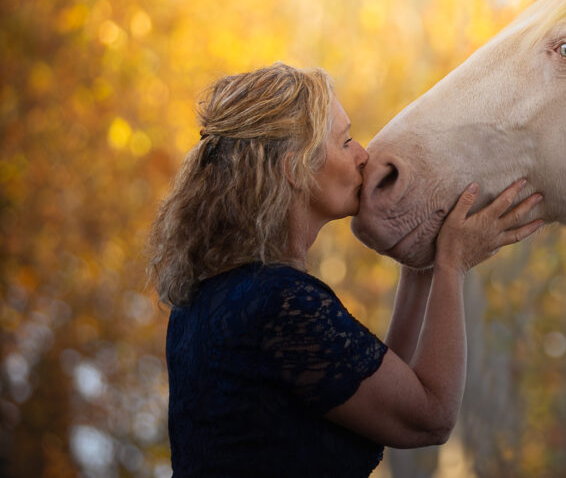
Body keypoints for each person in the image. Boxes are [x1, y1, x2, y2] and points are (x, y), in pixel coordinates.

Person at [146, 62, 543, 477]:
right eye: (345, 141)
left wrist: (417, 255)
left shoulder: (209, 301)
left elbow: (393, 391)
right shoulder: (281, 304)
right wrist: (453, 263)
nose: (363, 155)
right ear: (293, 169)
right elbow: (430, 416)